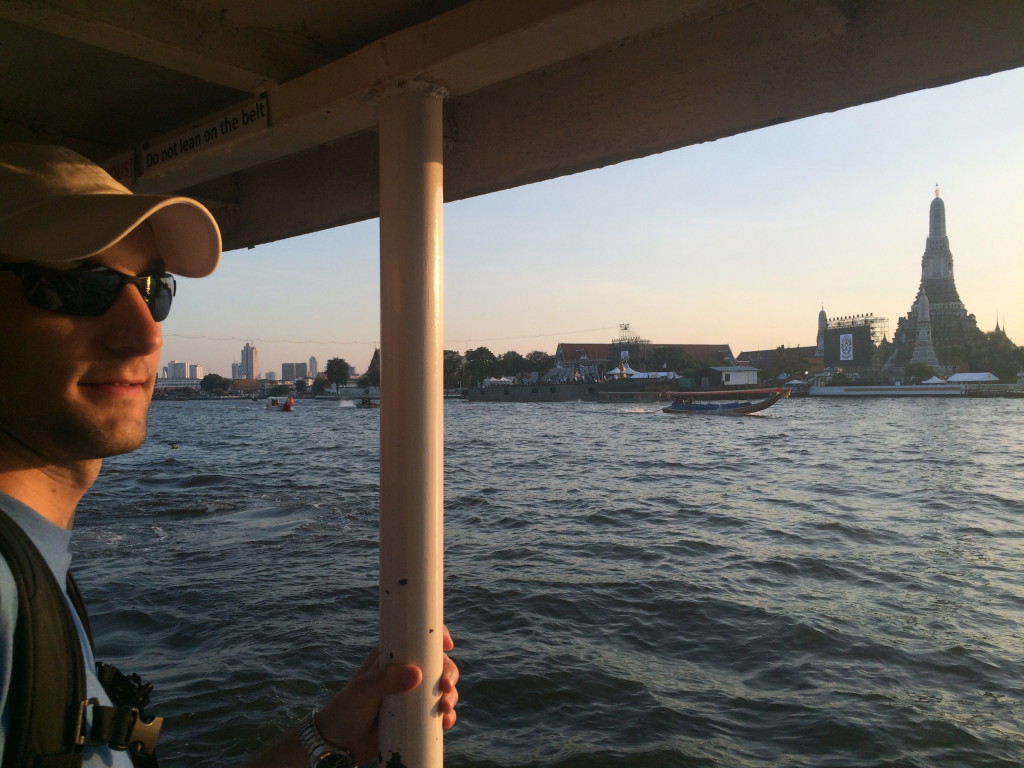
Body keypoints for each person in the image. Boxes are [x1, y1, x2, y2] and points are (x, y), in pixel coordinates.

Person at [0, 143, 458, 767]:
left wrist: (326, 735)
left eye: (152, 288)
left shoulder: (34, 567)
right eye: (80, 284)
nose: (146, 331)